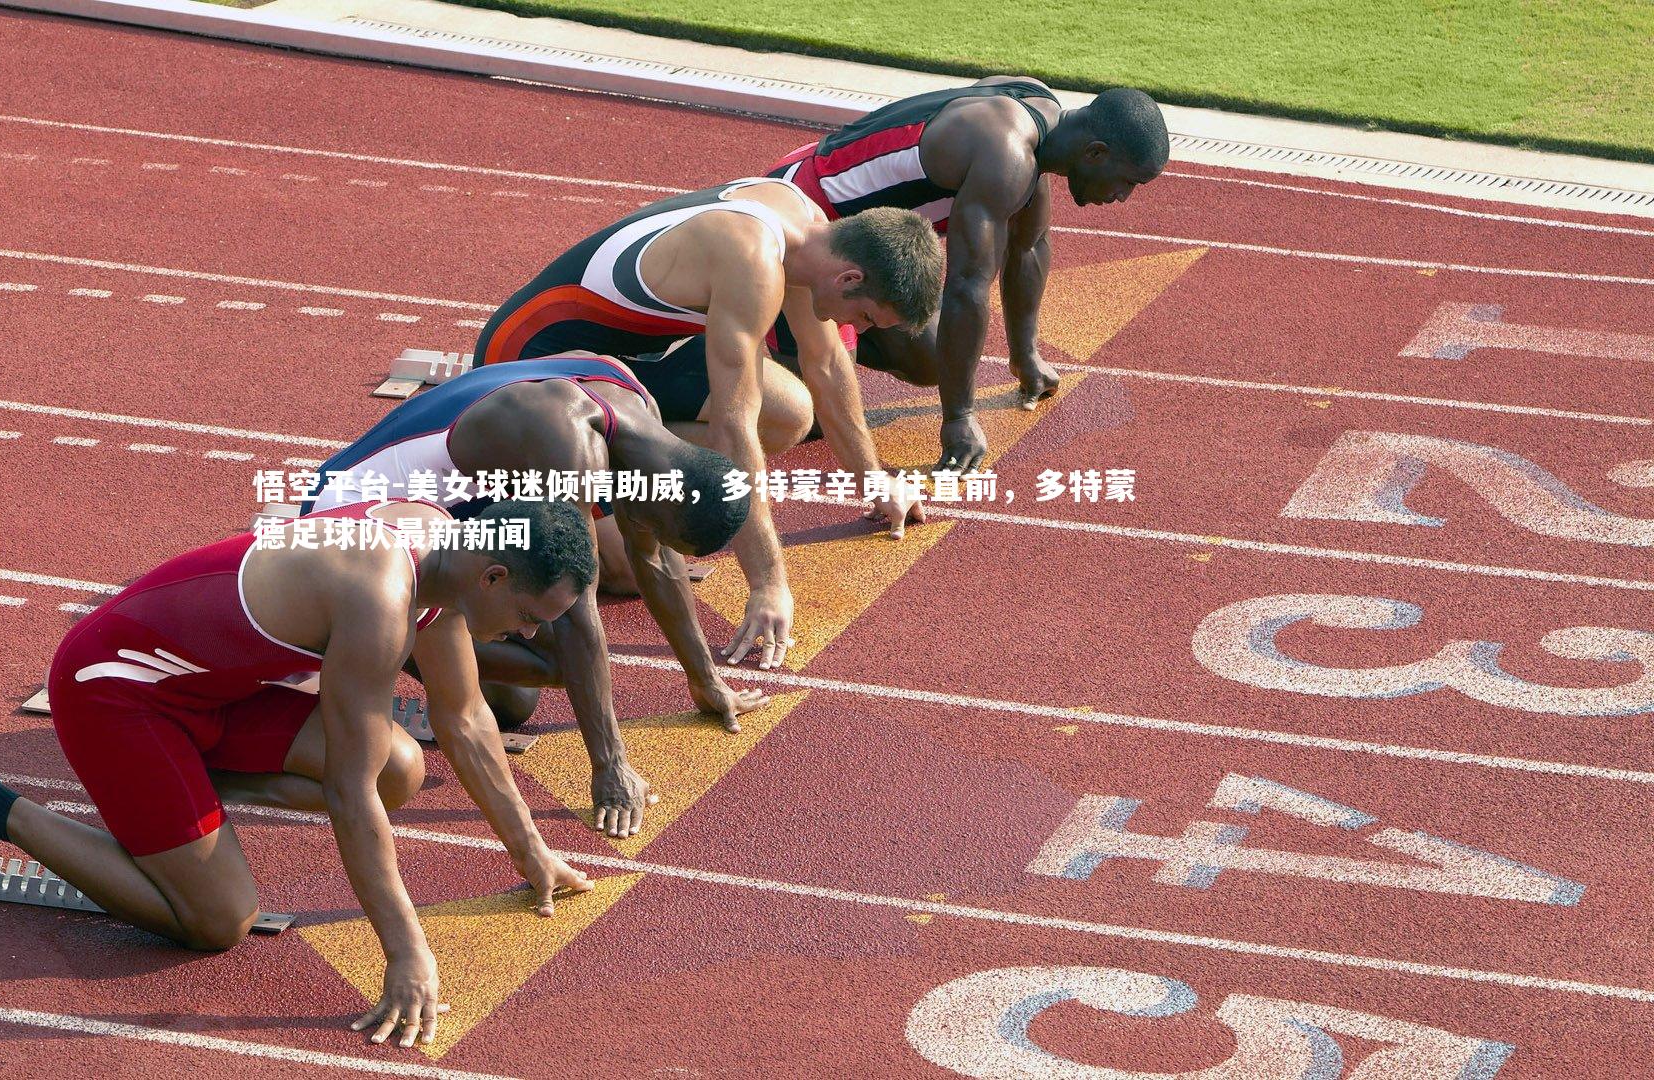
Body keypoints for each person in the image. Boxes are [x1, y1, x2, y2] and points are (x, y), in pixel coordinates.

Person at [0, 499, 597, 1049]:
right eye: (532, 619)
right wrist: (406, 953)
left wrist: (531, 853)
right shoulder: (381, 595)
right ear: (496, 576)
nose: (531, 637)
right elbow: (347, 793)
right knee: (219, 919)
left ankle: (170, 807)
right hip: (116, 690)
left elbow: (468, 718)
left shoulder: (449, 557)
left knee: (401, 767)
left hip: (210, 695)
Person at [474, 176, 944, 667]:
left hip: (619, 357)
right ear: (849, 279)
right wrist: (767, 584)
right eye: (866, 318)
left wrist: (873, 479)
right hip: (527, 359)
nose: (859, 330)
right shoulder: (753, 260)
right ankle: (592, 459)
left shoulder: (811, 233)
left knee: (789, 414)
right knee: (622, 569)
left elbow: (825, 364)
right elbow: (732, 427)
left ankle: (614, 457)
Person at [303, 352, 768, 838]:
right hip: (350, 526)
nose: (652, 541)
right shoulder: (566, 447)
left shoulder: (638, 414)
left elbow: (653, 557)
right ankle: (381, 644)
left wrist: (706, 680)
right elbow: (574, 612)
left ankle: (415, 645)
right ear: (663, 499)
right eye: (660, 528)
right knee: (551, 664)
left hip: (436, 512)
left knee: (522, 694)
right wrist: (610, 767)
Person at [768, 82, 1170, 471]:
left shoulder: (1040, 118)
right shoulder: (1005, 155)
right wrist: (958, 417)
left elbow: (1028, 244)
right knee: (813, 414)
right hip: (804, 222)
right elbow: (966, 287)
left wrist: (1025, 355)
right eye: (1128, 182)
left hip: (849, 237)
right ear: (1096, 153)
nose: (1122, 196)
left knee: (931, 356)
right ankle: (749, 327)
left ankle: (815, 337)